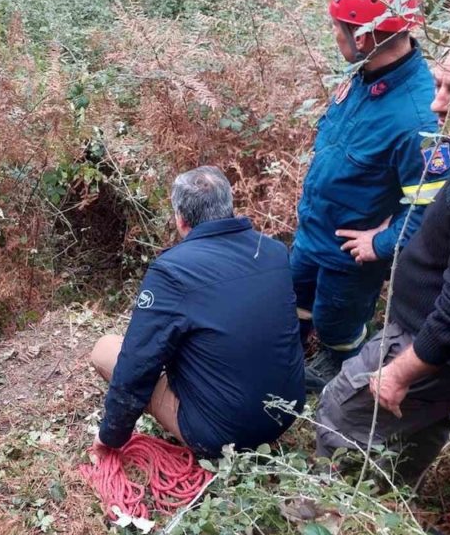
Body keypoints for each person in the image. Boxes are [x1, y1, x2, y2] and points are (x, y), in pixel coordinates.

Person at [316, 31, 450, 484]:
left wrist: (400, 372)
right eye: (441, 86)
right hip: (443, 350)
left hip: (427, 341)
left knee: (339, 409)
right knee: (422, 419)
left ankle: (325, 522)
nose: (438, 105)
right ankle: (392, 492)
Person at [292, 0, 450, 392]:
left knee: (338, 321)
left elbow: (434, 206)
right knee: (297, 299)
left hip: (349, 254)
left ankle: (339, 369)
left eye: (338, 26)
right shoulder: (363, 75)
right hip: (313, 230)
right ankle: (300, 347)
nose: (333, 33)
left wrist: (382, 243)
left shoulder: (419, 116)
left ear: (363, 37)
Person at [91, 166, 305, 456]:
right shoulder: (273, 251)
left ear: (180, 219)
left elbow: (137, 364)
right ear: (229, 205)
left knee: (106, 349)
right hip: (286, 412)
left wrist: (110, 437)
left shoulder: (172, 272)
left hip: (222, 434)